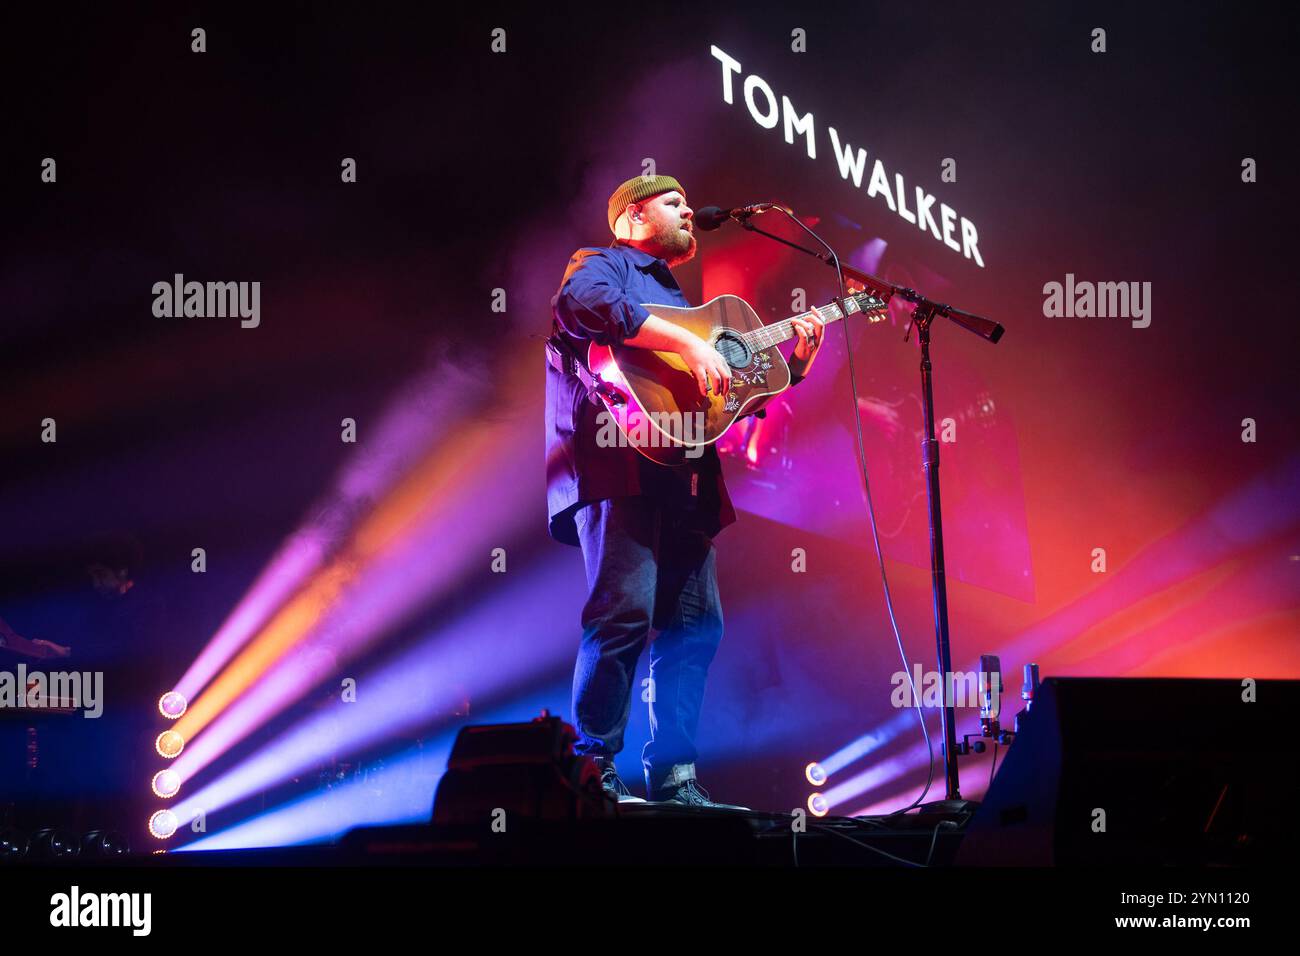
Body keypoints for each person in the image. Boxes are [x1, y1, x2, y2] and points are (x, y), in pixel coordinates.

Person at [544, 174, 825, 806]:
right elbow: (583, 307)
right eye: (674, 203)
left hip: (685, 477)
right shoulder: (602, 262)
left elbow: (727, 405)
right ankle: (591, 773)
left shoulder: (682, 301)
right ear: (632, 215)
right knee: (623, 613)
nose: (689, 210)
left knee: (697, 626)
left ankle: (674, 777)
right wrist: (686, 342)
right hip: (622, 465)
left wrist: (794, 369)